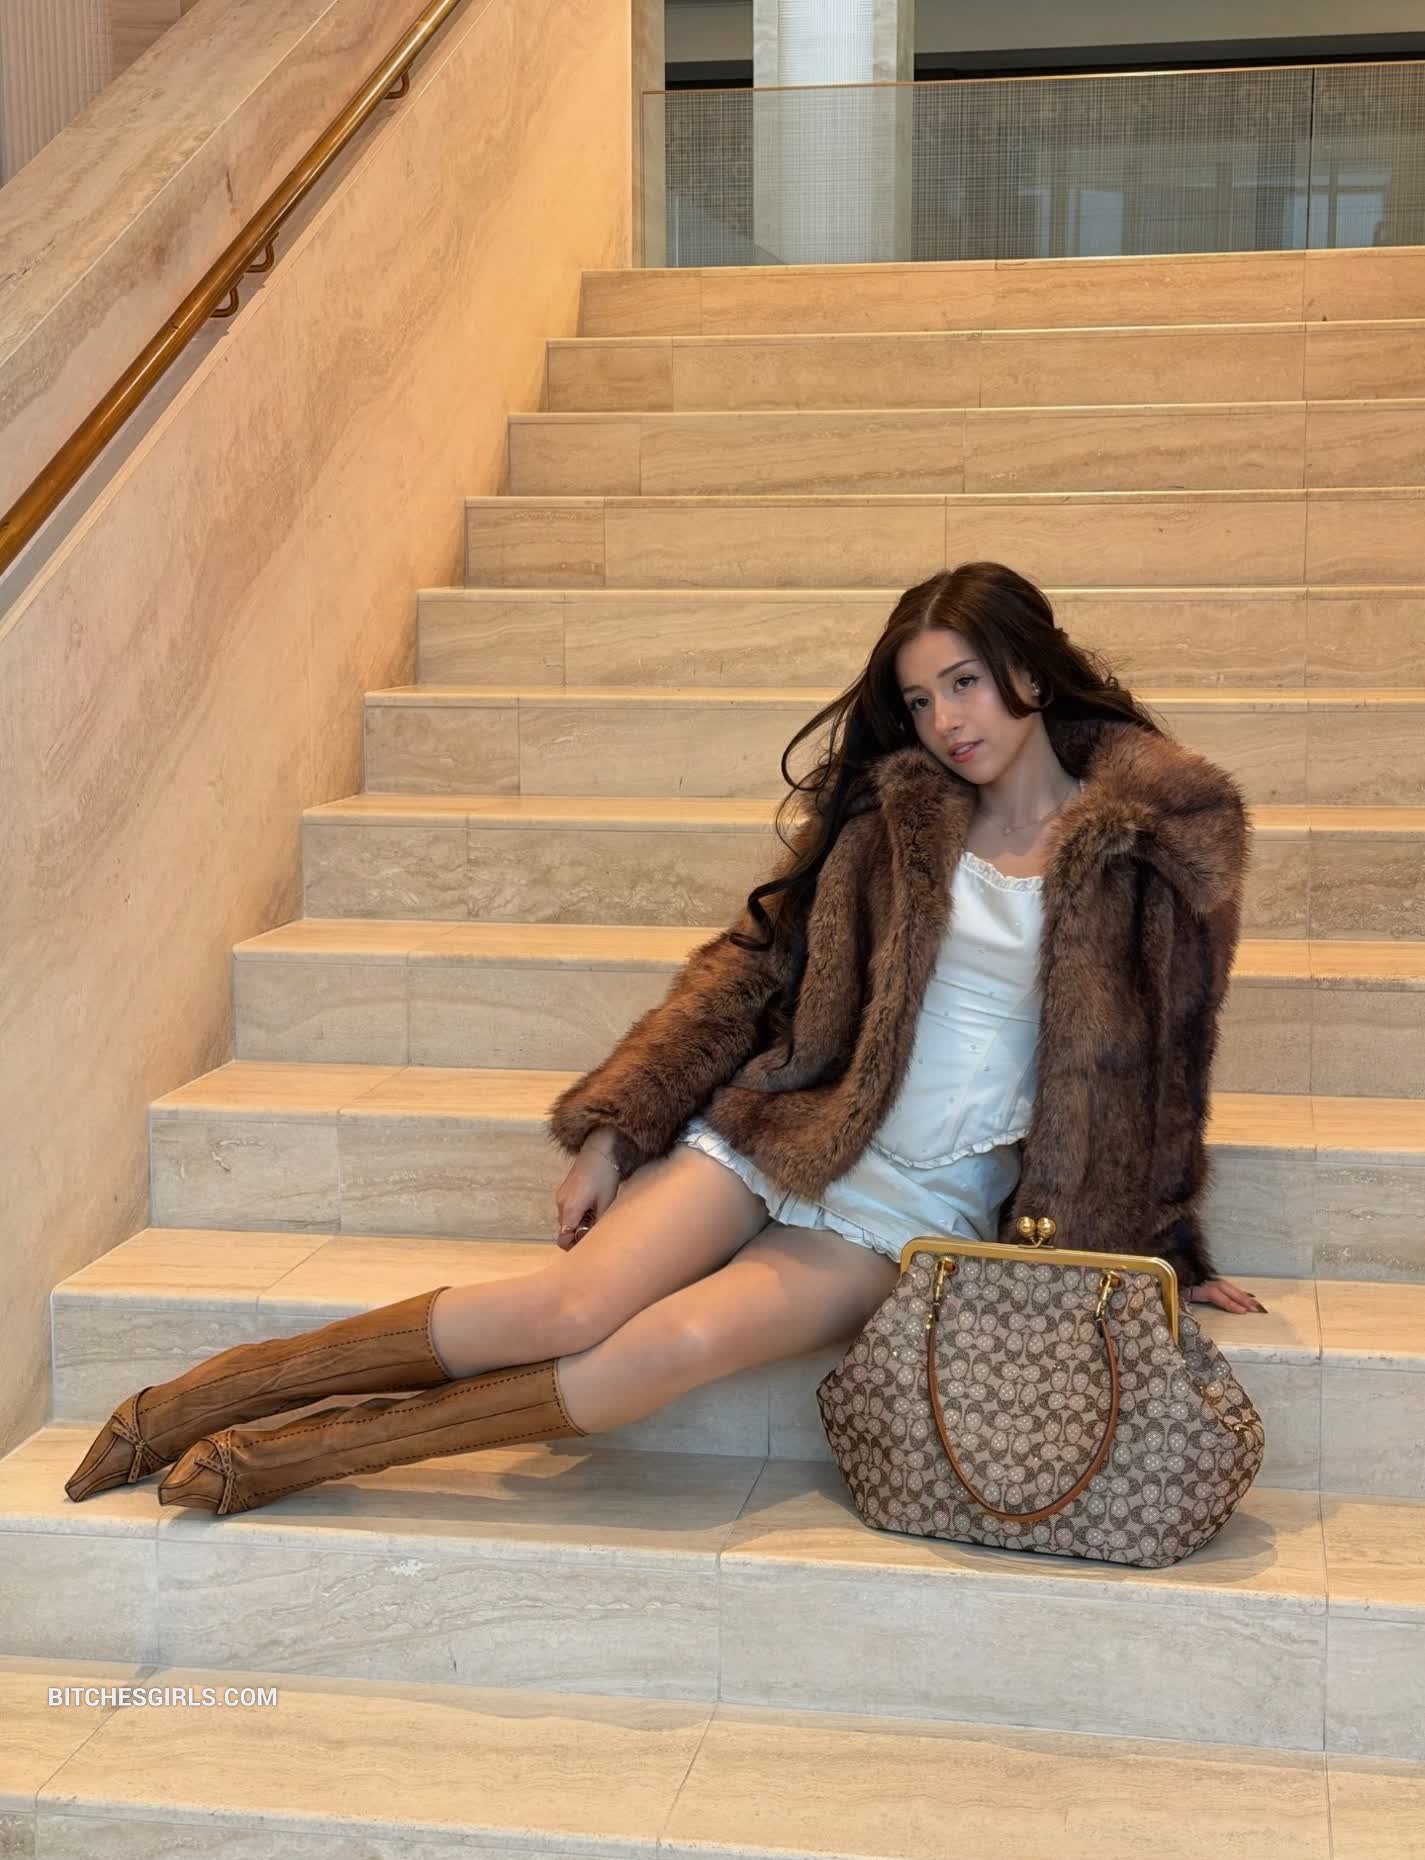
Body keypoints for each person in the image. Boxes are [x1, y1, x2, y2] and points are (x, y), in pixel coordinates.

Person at [65, 561, 1265, 1519]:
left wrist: (1164, 1243)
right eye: (919, 698)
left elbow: (1168, 1059)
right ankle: (202, 1398)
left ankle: (288, 1456)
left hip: (915, 1205)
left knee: (657, 1352)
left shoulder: (1155, 847)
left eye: (964, 683)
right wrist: (616, 1128)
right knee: (563, 1308)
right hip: (788, 1127)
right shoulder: (895, 817)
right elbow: (754, 967)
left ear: (1030, 671)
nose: (945, 720)